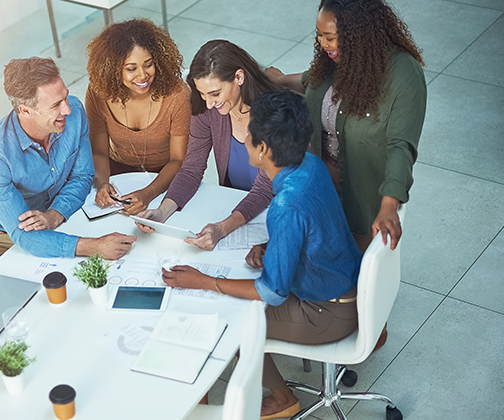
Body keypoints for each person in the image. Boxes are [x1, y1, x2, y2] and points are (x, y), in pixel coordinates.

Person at [162, 90, 362, 418]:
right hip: (346, 288)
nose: (244, 137)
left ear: (263, 149)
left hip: (328, 312)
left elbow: (271, 291)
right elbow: (316, 225)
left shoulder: (284, 207)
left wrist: (204, 281)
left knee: (233, 324)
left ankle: (283, 398)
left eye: (249, 133)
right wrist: (273, 246)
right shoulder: (311, 165)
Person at [266, 0, 426, 254]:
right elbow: (312, 84)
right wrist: (277, 79)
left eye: (330, 37)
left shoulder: (403, 73)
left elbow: (401, 146)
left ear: (358, 35)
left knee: (347, 276)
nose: (323, 44)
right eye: (319, 36)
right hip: (320, 190)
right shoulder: (335, 60)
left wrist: (388, 206)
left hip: (362, 202)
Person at [0, 57, 137, 286]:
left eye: (64, 96)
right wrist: (94, 246)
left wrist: (54, 215)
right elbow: (25, 236)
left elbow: (82, 176)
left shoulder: (74, 111)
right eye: (55, 105)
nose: (67, 109)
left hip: (55, 214)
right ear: (25, 110)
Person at [136, 40, 278, 251]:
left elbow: (265, 190)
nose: (209, 103)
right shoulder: (207, 110)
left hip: (275, 215)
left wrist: (222, 228)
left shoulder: (275, 114)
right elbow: (191, 170)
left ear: (239, 77)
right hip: (236, 209)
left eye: (215, 93)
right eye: (202, 94)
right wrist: (162, 212)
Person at [85, 19, 191, 215]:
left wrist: (148, 193)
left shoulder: (178, 95)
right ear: (113, 69)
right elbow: (99, 152)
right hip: (117, 172)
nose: (143, 76)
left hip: (166, 175)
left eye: (148, 64)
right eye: (131, 68)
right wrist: (102, 184)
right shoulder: (98, 92)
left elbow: (178, 159)